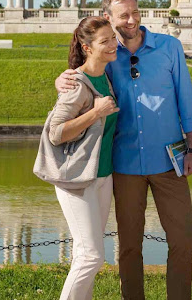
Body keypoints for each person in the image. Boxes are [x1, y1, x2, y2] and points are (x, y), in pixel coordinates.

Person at [56, 0, 192, 300]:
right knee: (129, 244)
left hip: (170, 160)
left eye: (136, 11)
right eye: (124, 15)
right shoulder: (105, 53)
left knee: (183, 239)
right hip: (124, 164)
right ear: (108, 17)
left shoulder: (169, 47)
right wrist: (61, 79)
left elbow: (186, 101)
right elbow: (80, 75)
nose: (132, 19)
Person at [48, 16, 120, 300]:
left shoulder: (107, 75)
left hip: (102, 176)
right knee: (91, 257)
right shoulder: (76, 83)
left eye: (113, 37)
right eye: (105, 41)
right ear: (87, 47)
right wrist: (95, 113)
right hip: (77, 180)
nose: (113, 44)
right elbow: (56, 133)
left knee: (84, 254)